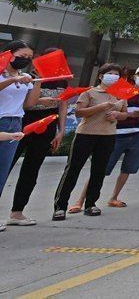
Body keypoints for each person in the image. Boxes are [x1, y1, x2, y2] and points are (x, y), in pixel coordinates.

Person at [71, 65, 139, 211]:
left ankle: (114, 197)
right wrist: (126, 116)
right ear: (134, 76)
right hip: (116, 134)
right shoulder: (122, 90)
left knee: (128, 168)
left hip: (138, 135)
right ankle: (80, 201)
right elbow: (112, 109)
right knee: (101, 168)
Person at [52, 63, 127, 220]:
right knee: (73, 169)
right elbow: (79, 112)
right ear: (101, 76)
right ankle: (60, 206)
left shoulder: (120, 94)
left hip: (107, 135)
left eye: (117, 75)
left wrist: (116, 115)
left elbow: (124, 114)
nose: (113, 77)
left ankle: (91, 203)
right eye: (110, 74)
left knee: (98, 171)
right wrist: (101, 107)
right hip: (86, 135)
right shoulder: (89, 93)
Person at [7, 49, 67, 227]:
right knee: (6, 165)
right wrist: (41, 99)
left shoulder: (62, 80)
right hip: (23, 123)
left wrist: (61, 130)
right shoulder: (27, 77)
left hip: (47, 127)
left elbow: (62, 105)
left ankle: (17, 212)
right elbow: (23, 102)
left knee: (31, 169)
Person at [0, 41, 42, 232]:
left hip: (15, 122)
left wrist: (37, 81)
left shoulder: (24, 76)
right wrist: (11, 80)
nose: (25, 60)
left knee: (2, 170)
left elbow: (29, 104)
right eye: (22, 56)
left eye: (29, 58)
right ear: (9, 54)